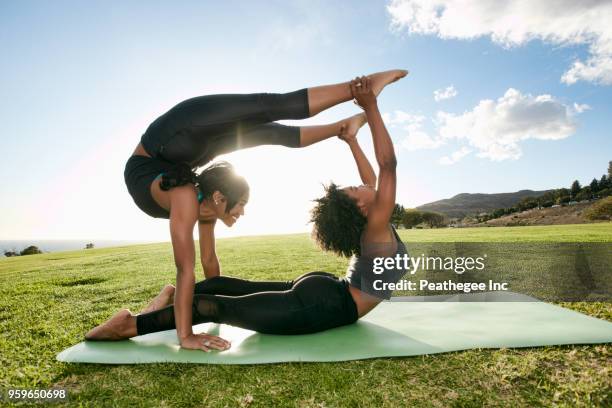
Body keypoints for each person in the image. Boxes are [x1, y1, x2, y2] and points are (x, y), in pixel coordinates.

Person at [86, 73, 408, 352]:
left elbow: (380, 171)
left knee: (224, 300)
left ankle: (141, 318)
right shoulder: (374, 226)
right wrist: (360, 126)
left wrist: (367, 114)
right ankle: (147, 314)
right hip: (328, 297)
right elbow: (379, 172)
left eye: (355, 188)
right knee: (221, 296)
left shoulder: (375, 224)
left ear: (365, 208)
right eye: (357, 187)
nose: (364, 184)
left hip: (325, 295)